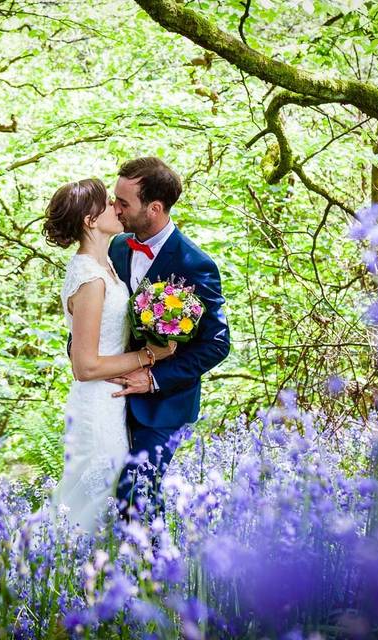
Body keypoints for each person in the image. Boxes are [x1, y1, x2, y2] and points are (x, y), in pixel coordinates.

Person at [42, 178, 175, 531]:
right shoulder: (91, 278)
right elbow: (84, 365)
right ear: (90, 220)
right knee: (90, 500)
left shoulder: (106, 266)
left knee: (105, 498)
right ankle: (56, 568)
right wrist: (150, 356)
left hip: (111, 400)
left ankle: (87, 575)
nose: (118, 208)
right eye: (108, 204)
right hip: (97, 401)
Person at [106, 157, 230, 520]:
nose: (114, 208)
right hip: (110, 393)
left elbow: (217, 344)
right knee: (105, 487)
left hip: (164, 405)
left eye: (123, 202)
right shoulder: (115, 247)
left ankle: (155, 571)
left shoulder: (195, 264)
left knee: (136, 491)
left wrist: (154, 378)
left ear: (154, 208)